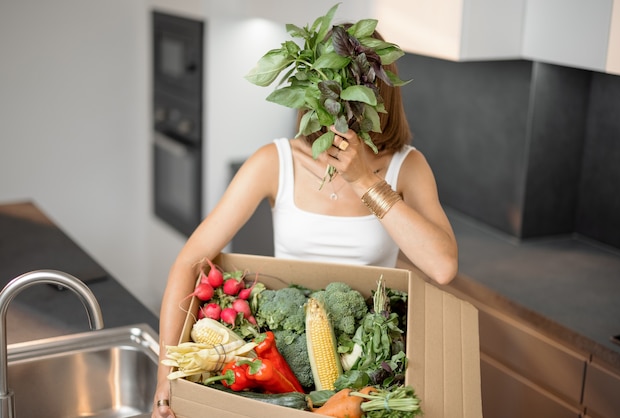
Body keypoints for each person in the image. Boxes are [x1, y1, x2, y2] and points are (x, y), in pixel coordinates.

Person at [151, 27, 458, 418]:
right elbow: (189, 262)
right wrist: (166, 380)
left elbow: (443, 266)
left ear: (379, 97)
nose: (341, 116)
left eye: (355, 99)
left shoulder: (406, 166)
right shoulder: (274, 161)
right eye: (330, 96)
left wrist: (365, 180)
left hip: (367, 365)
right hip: (283, 360)